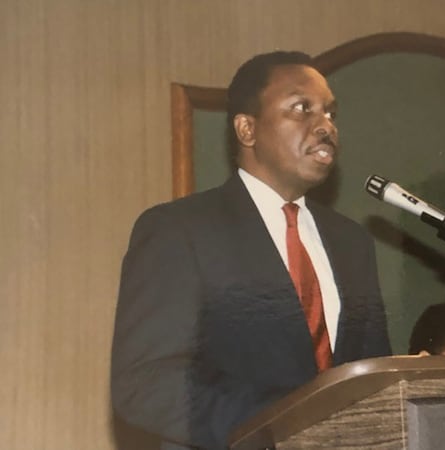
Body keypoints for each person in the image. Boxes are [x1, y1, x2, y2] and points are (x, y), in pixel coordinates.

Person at [111, 51, 392, 450]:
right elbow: (145, 382)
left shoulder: (353, 242)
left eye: (330, 112)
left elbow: (371, 374)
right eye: (302, 108)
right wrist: (283, 429)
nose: (325, 125)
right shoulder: (181, 229)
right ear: (247, 129)